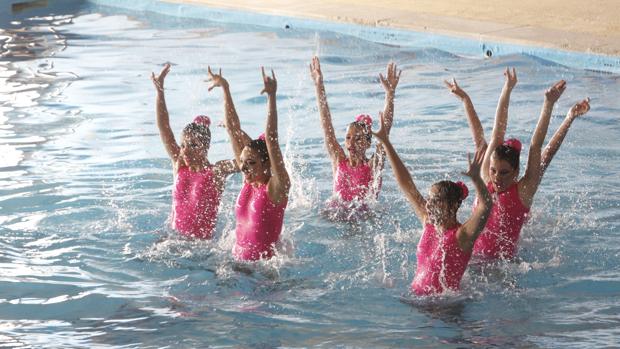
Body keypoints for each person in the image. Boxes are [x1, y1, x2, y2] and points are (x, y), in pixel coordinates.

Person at [445, 68, 591, 259]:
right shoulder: (485, 178)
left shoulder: (523, 191)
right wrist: (507, 88)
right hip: (471, 258)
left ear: (516, 173)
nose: (497, 177)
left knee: (542, 163)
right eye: (494, 170)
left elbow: (537, 147)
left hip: (502, 266)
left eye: (504, 173)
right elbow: (497, 132)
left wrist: (550, 106)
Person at [373, 112, 493, 296]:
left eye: (435, 201)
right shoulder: (428, 222)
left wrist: (477, 179)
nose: (428, 205)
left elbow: (486, 206)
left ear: (452, 206)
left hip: (447, 312)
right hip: (416, 303)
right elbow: (407, 185)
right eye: (429, 200)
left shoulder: (463, 236)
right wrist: (387, 143)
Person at [207, 66, 290, 261]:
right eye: (242, 162)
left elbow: (271, 139)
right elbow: (233, 130)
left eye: (251, 162)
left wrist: (272, 98)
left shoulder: (277, 189)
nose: (243, 167)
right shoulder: (248, 182)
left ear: (267, 164)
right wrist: (225, 89)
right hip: (237, 266)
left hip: (263, 275)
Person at [151, 63, 237, 239]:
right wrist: (160, 92)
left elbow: (243, 158)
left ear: (206, 148)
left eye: (194, 146)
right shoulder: (179, 165)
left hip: (202, 248)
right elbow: (164, 129)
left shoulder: (216, 172)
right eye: (183, 146)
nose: (186, 152)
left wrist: (226, 90)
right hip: (172, 239)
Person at [309, 56, 400, 216]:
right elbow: (327, 126)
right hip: (334, 217)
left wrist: (390, 95)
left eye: (358, 139)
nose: (351, 143)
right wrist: (318, 85)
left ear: (367, 144)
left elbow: (385, 133)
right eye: (348, 138)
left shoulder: (373, 166)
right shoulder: (339, 161)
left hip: (362, 220)